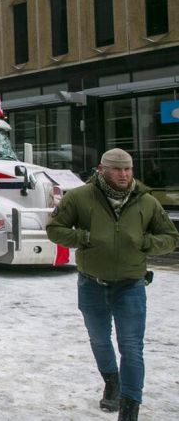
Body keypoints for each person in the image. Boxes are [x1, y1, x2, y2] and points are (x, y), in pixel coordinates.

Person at [47, 148, 179, 421]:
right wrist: (82, 237)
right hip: (91, 284)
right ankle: (112, 382)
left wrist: (145, 243)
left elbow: (170, 236)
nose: (124, 174)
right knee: (99, 339)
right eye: (117, 169)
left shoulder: (146, 201)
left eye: (128, 169)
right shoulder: (80, 197)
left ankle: (130, 409)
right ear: (102, 170)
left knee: (131, 346)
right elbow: (55, 229)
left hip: (131, 285)